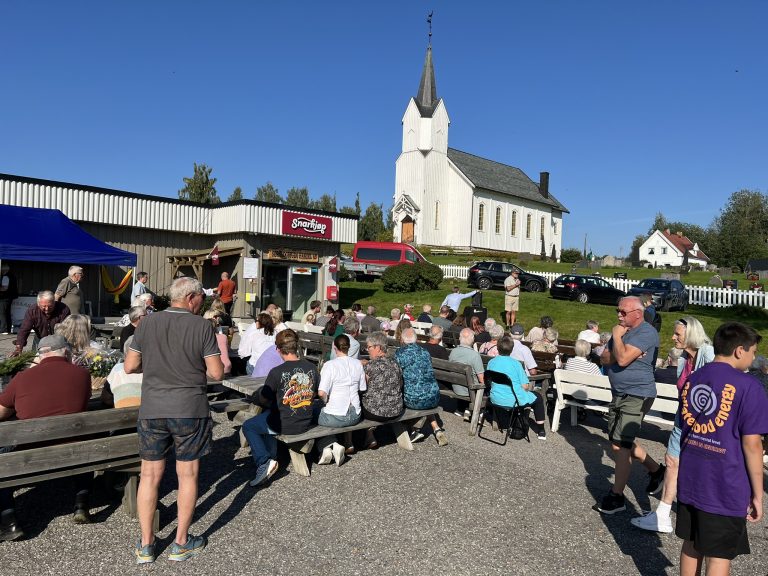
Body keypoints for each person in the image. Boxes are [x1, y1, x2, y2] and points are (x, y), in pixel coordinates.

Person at [124, 277, 224, 564]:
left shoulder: (147, 324)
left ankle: (146, 545)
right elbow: (217, 373)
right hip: (189, 407)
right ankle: (180, 542)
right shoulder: (203, 326)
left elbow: (130, 366)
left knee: (150, 476)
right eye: (200, 299)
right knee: (187, 475)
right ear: (191, 298)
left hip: (153, 407)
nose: (202, 303)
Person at [675, 322, 768, 576]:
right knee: (718, 556)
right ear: (740, 350)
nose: (753, 357)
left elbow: (686, 424)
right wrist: (758, 495)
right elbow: (752, 445)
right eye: (752, 351)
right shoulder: (749, 387)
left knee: (692, 544)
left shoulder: (693, 379)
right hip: (725, 484)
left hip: (692, 478)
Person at [0, 334, 92, 541]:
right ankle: (81, 503)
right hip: (75, 450)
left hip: (30, 455)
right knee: (83, 437)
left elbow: (1, 413)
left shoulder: (23, 377)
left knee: (3, 459)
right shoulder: (82, 375)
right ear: (66, 352)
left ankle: (8, 521)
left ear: (40, 355)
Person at [631, 316, 714, 534]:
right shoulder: (686, 359)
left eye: (678, 334)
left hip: (705, 425)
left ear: (692, 334)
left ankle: (704, 515)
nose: (673, 337)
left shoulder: (708, 354)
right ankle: (663, 514)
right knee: (671, 461)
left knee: (699, 468)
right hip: (683, 419)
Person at [597, 296, 663, 515]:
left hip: (637, 394)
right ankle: (656, 470)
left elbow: (622, 359)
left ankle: (617, 496)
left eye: (623, 312)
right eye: (618, 311)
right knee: (619, 440)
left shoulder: (646, 332)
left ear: (638, 313)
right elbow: (606, 359)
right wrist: (618, 348)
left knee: (621, 445)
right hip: (619, 393)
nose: (618, 315)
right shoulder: (624, 331)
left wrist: (616, 338)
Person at [242, 329, 319, 486]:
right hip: (305, 421)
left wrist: (256, 396)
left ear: (278, 349)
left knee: (248, 426)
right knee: (269, 415)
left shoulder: (277, 372)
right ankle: (271, 454)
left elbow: (264, 399)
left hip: (284, 424)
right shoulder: (312, 368)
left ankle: (264, 461)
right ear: (296, 347)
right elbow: (315, 392)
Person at [316, 334, 366, 465]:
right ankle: (332, 446)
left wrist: (326, 401)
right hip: (355, 415)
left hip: (335, 416)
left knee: (315, 413)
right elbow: (362, 388)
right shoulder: (357, 364)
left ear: (334, 347)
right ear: (349, 347)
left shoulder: (330, 365)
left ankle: (328, 446)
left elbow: (321, 393)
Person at [487, 336, 547, 440]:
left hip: (495, 398)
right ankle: (541, 430)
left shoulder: (491, 362)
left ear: (497, 347)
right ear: (512, 349)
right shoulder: (516, 364)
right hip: (512, 400)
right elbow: (525, 386)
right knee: (538, 398)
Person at [395, 328, 447, 446]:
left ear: (402, 339)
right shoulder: (425, 352)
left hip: (414, 399)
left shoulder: (400, 353)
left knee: (411, 393)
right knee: (423, 392)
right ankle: (436, 428)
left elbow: (397, 376)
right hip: (434, 396)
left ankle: (414, 430)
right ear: (416, 339)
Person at [361, 331, 405, 449]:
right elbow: (400, 385)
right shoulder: (395, 363)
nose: (367, 349)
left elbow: (361, 387)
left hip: (375, 413)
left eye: (369, 347)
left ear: (378, 347)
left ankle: (363, 436)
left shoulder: (370, 366)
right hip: (396, 410)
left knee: (358, 399)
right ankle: (370, 435)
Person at [12, 290, 70, 356]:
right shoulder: (32, 311)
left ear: (54, 302)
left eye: (50, 306)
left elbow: (67, 329)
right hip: (40, 338)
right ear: (38, 304)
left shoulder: (63, 309)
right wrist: (18, 348)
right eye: (44, 306)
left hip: (59, 339)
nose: (47, 309)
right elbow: (24, 329)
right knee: (35, 358)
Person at [449, 328, 485, 421]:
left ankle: (462, 409)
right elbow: (481, 379)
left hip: (456, 387)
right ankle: (474, 410)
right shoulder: (474, 355)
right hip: (470, 390)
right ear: (472, 340)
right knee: (482, 384)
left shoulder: (453, 351)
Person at [203, 310, 231, 375]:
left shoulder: (203, 336)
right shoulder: (223, 336)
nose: (218, 319)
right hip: (226, 367)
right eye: (215, 317)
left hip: (214, 371)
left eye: (218, 317)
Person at [0, 264, 18, 334]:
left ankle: (3, 329)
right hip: (9, 297)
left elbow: (4, 288)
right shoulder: (11, 276)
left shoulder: (5, 277)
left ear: (3, 270)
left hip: (4, 297)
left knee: (2, 313)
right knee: (7, 313)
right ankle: (8, 329)